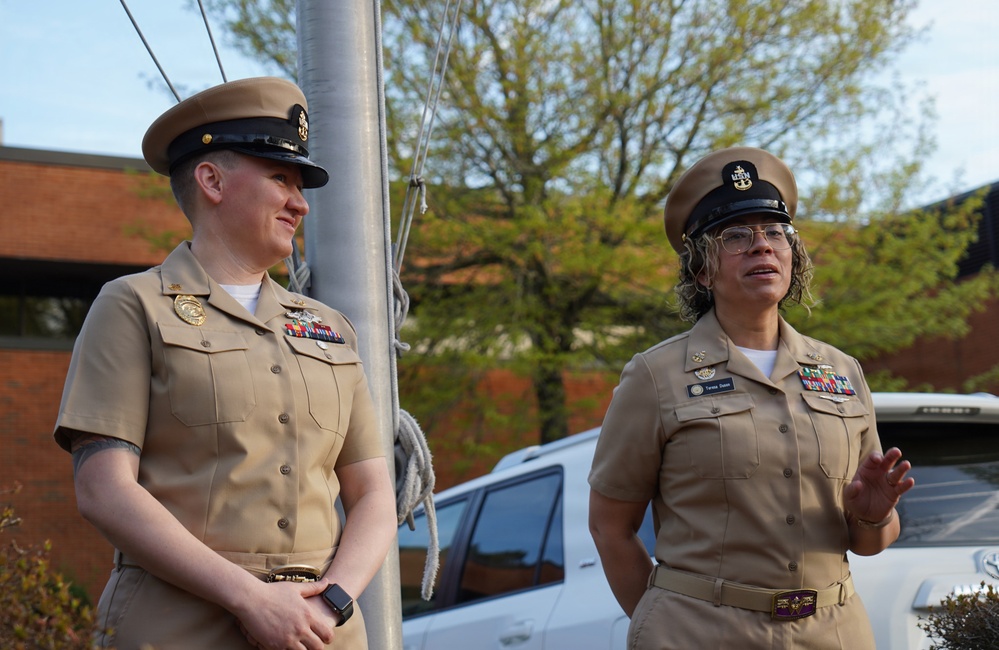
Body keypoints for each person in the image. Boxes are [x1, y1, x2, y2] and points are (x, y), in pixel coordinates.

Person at [53, 77, 397, 650]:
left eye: (300, 183)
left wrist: (331, 601)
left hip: (322, 633)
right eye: (280, 178)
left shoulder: (331, 329)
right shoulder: (133, 304)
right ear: (211, 180)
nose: (300, 202)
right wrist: (252, 599)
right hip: (176, 629)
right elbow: (104, 489)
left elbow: (374, 494)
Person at [587, 147, 915, 649]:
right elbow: (610, 528)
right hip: (698, 635)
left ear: (792, 255)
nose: (762, 246)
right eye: (736, 236)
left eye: (774, 233)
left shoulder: (843, 373)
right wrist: (662, 624)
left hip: (834, 633)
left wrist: (873, 515)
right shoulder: (654, 376)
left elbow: (870, 543)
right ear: (702, 270)